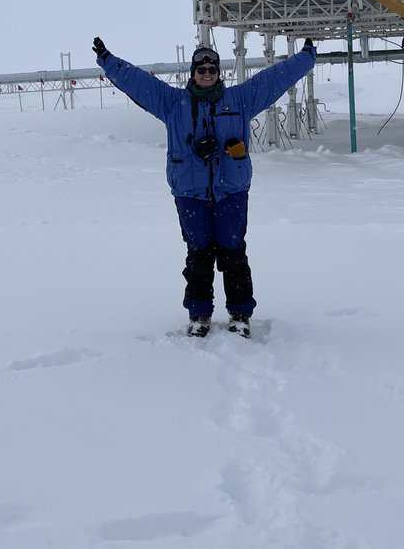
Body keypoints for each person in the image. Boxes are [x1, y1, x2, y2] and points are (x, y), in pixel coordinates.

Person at [93, 36, 316, 337]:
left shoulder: (239, 99)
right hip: (190, 193)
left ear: (219, 73)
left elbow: (272, 80)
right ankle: (199, 314)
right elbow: (138, 83)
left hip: (232, 190)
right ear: (193, 72)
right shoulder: (173, 103)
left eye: (212, 68)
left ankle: (239, 313)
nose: (207, 73)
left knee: (233, 251)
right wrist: (108, 59)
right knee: (198, 253)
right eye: (201, 68)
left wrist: (304, 58)